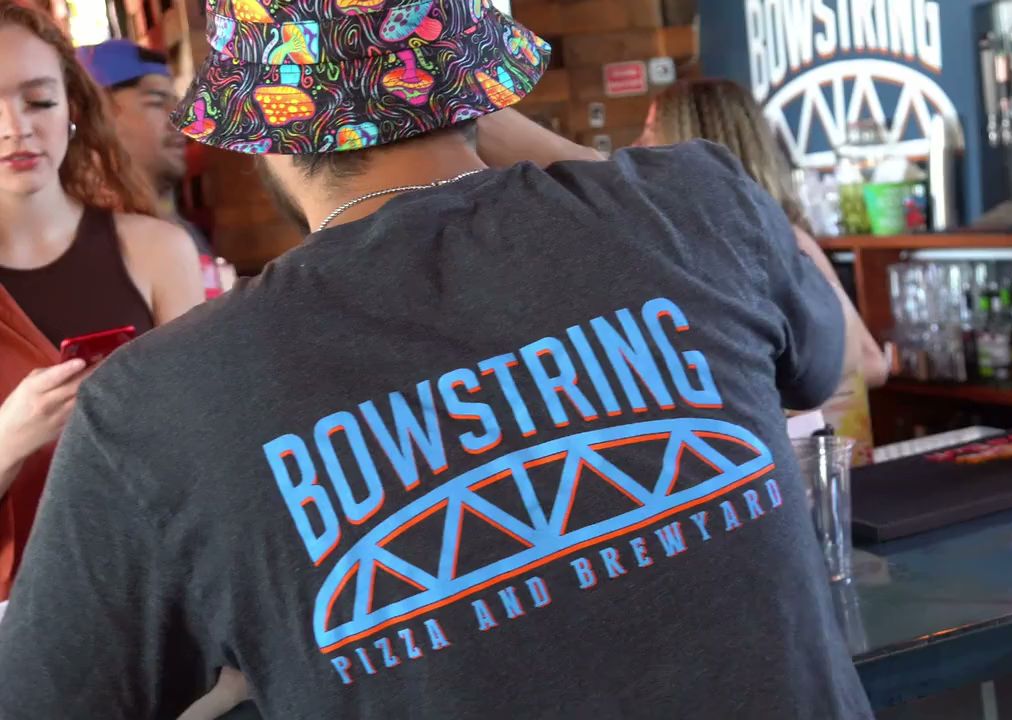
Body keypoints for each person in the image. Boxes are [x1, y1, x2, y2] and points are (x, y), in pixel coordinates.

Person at [0, 1, 874, 718]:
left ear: (262, 130)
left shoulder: (157, 404)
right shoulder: (697, 205)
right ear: (479, 89)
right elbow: (818, 362)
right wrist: (498, 123)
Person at [0, 0, 205, 601]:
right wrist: (12, 435)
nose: (16, 127)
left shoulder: (158, 251)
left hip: (154, 589)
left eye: (39, 101)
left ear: (73, 109)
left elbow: (203, 442)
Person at [638, 79, 889, 462]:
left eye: (652, 130)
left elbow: (870, 363)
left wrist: (759, 395)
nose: (637, 144)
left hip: (800, 470)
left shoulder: (782, 242)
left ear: (690, 140)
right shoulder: (695, 250)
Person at [76, 38, 227, 299]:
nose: (182, 119)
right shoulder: (81, 244)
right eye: (157, 102)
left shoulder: (180, 231)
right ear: (96, 115)